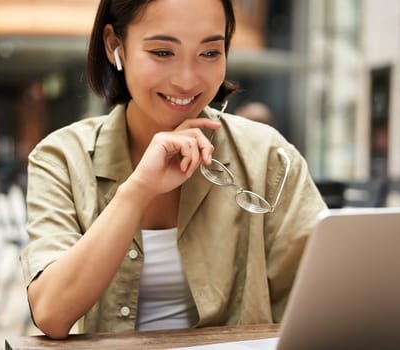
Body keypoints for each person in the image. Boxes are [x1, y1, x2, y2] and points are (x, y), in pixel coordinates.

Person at [21, 0, 326, 339]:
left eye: (210, 53)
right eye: (163, 52)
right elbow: (51, 312)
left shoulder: (269, 157)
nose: (187, 80)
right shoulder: (62, 157)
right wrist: (138, 191)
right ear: (114, 45)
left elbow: (326, 301)